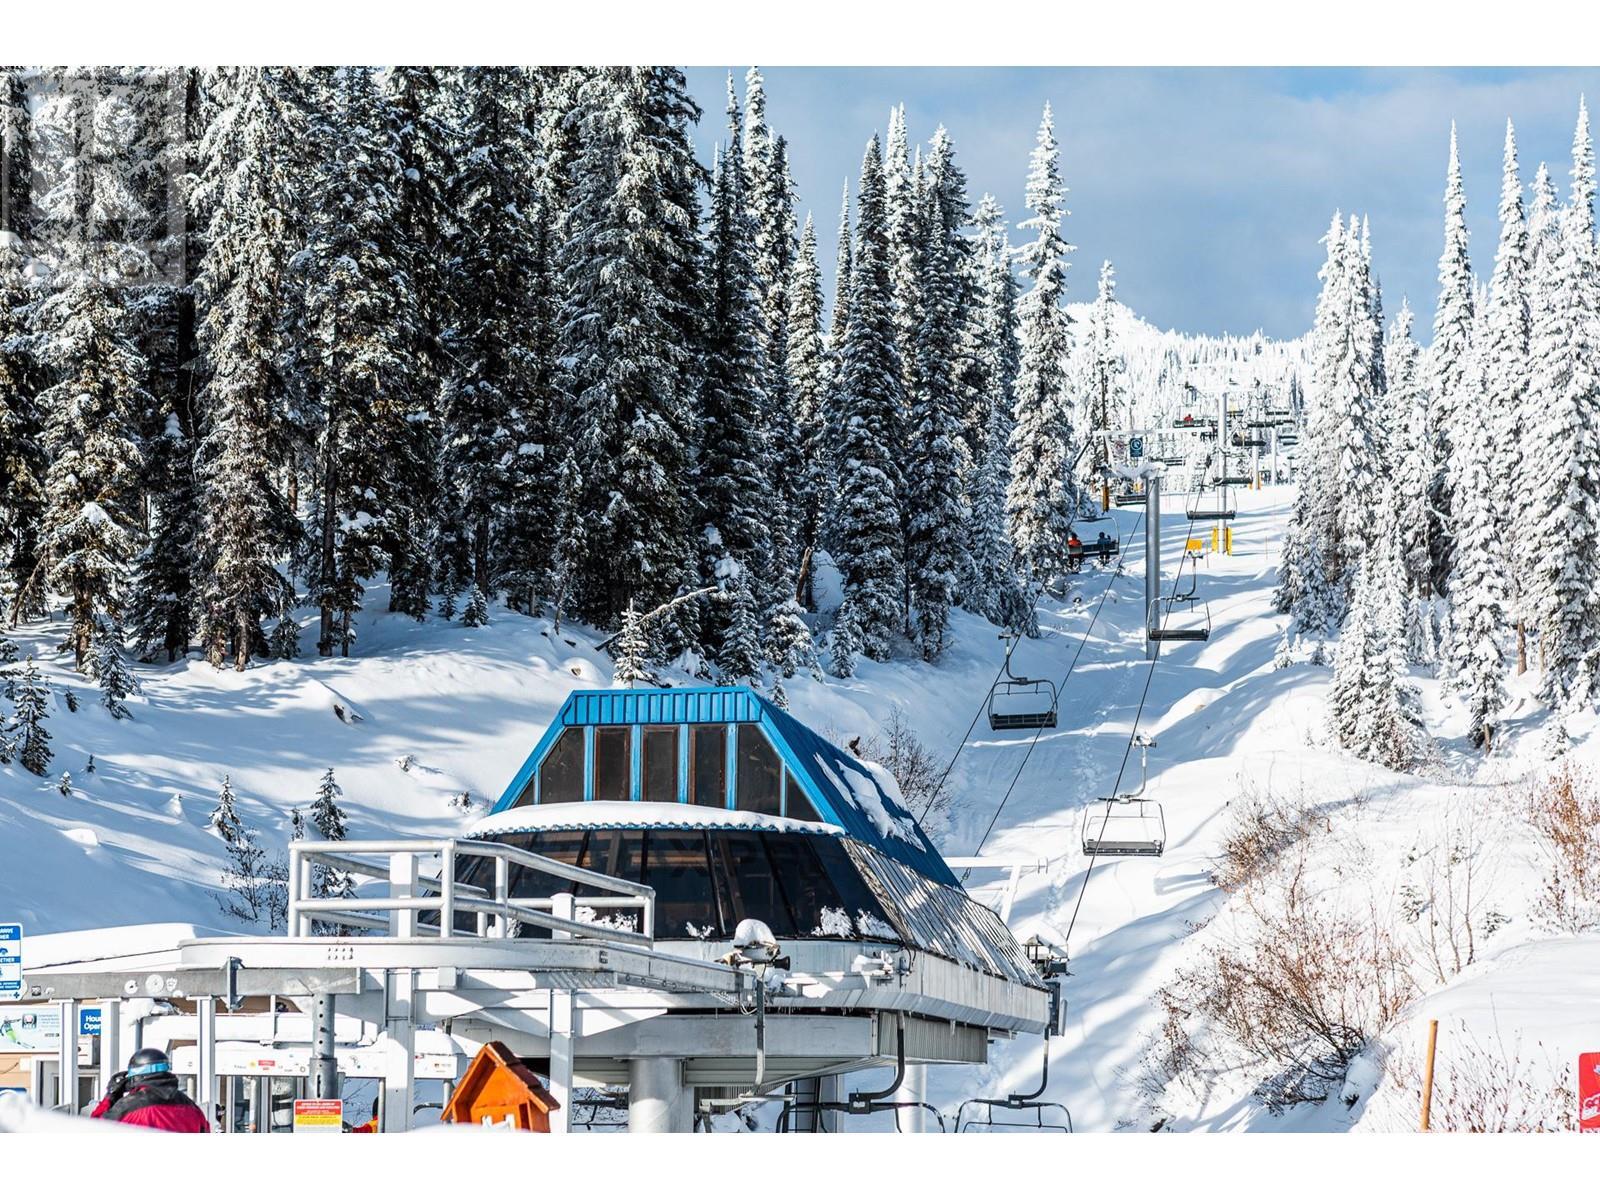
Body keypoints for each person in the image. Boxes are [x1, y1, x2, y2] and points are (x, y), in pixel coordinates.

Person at [90, 1048, 210, 1131]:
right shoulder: (191, 1106)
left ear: (136, 1076)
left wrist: (111, 1096)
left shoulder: (130, 1105)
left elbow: (95, 1129)